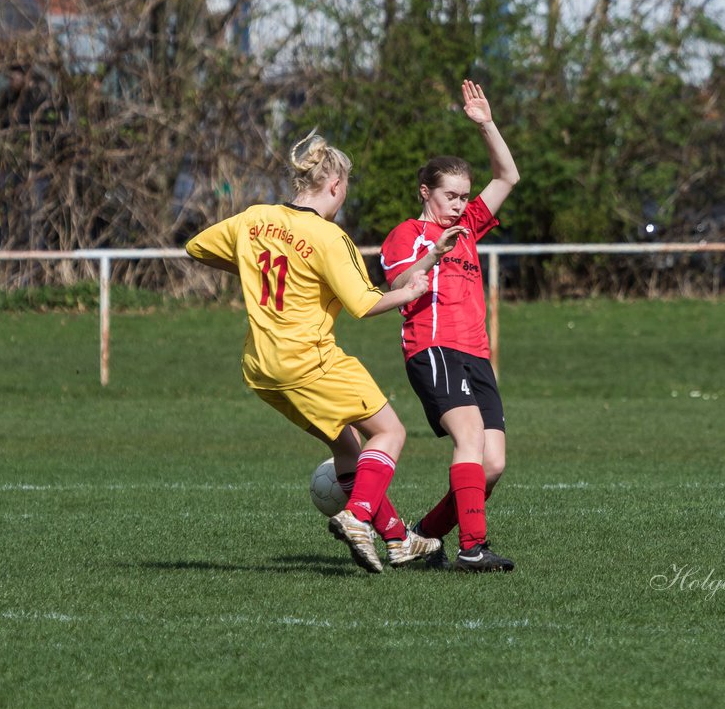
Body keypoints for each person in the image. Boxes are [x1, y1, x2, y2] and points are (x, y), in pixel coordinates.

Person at [185, 132, 443, 573]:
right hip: (310, 361)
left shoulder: (254, 218)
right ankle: (358, 516)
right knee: (391, 433)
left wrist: (248, 266)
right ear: (336, 185)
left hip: (263, 370)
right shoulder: (329, 237)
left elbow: (196, 246)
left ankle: (398, 540)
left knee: (347, 446)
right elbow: (364, 304)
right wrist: (412, 291)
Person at [379, 80, 520, 572]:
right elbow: (395, 281)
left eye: (464, 196)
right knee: (469, 439)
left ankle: (423, 538)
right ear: (427, 193)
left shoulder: (471, 228)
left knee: (494, 464)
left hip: (476, 354)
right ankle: (472, 548)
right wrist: (433, 254)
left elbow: (508, 176)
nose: (460, 205)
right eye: (450, 196)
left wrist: (486, 124)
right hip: (433, 348)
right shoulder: (409, 233)